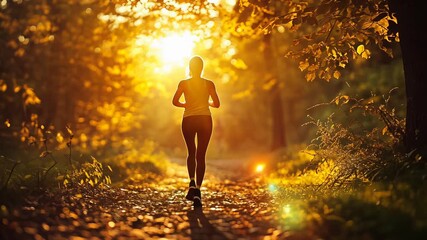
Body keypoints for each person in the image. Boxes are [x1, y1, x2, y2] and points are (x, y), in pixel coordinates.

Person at [172, 56, 220, 207]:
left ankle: (191, 182)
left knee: (191, 152)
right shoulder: (209, 84)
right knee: (201, 155)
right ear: (202, 68)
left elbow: (175, 101)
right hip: (205, 119)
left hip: (189, 120)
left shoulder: (184, 83)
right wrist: (207, 103)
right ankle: (198, 190)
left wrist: (185, 105)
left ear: (190, 68)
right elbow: (217, 104)